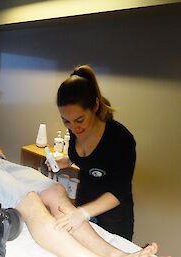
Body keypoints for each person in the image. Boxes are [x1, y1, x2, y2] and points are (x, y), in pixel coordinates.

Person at [0, 114, 160, 257]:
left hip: (0, 165)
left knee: (56, 191)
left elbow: (0, 154)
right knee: (30, 201)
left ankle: (117, 255)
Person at [51, 65, 136, 241]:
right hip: (84, 204)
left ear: (95, 105)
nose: (74, 128)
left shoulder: (120, 139)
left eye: (79, 120)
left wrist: (81, 213)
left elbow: (119, 191)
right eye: (66, 121)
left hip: (113, 217)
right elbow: (88, 161)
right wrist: (66, 161)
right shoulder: (77, 132)